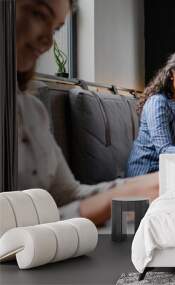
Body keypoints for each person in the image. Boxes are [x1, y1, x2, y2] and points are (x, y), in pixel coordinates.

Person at [16, 0, 158, 226]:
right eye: (39, 15)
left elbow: (68, 196)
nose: (48, 41)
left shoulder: (33, 109)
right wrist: (116, 198)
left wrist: (151, 184)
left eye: (56, 29)